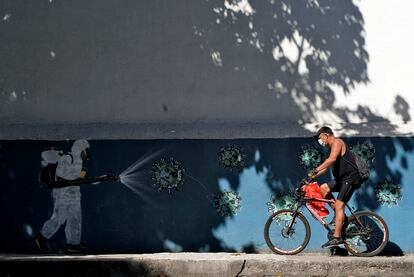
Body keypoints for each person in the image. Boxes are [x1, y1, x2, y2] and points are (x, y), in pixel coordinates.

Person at [308, 126, 363, 248]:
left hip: (351, 178)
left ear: (326, 135)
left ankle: (337, 238)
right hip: (342, 180)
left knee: (339, 205)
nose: (319, 140)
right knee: (323, 188)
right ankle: (341, 216)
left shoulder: (337, 142)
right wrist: (310, 177)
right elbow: (326, 166)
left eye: (319, 137)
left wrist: (315, 170)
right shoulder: (330, 148)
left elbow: (331, 160)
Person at [35, 139, 90, 253]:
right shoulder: (67, 158)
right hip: (63, 194)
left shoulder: (80, 162)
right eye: (84, 151)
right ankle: (41, 238)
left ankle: (73, 244)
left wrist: (82, 174)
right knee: (59, 218)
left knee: (75, 219)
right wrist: (72, 181)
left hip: (75, 195)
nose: (85, 154)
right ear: (78, 149)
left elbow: (80, 179)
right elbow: (59, 176)